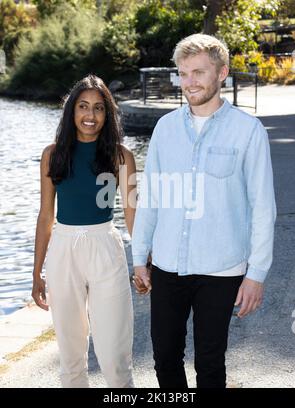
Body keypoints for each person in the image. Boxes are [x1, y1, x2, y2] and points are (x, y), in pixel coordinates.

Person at [132, 34, 276, 388]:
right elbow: (151, 197)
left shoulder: (248, 131)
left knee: (210, 364)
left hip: (221, 268)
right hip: (167, 265)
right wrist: (138, 256)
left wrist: (256, 274)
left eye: (199, 72)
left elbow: (262, 207)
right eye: (183, 74)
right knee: (165, 357)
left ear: (222, 73)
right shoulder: (165, 128)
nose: (189, 82)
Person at [31, 74, 136, 388]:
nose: (90, 115)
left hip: (105, 245)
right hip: (63, 251)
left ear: (107, 114)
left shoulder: (121, 157)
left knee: (114, 355)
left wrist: (145, 262)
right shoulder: (53, 155)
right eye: (83, 107)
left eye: (99, 108)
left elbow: (132, 214)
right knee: (71, 355)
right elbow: (46, 215)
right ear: (71, 111)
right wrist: (37, 273)